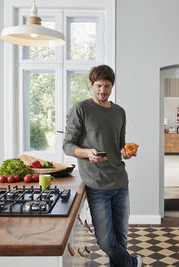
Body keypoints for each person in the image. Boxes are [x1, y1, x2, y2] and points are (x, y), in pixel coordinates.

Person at [63, 65, 141, 267]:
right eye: (99, 86)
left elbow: (119, 144)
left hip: (120, 182)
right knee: (106, 241)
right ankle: (133, 263)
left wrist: (126, 152)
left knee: (121, 239)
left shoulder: (119, 112)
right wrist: (87, 153)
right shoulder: (81, 109)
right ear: (91, 84)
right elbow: (68, 145)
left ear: (112, 86)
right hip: (97, 185)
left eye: (107, 86)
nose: (103, 91)